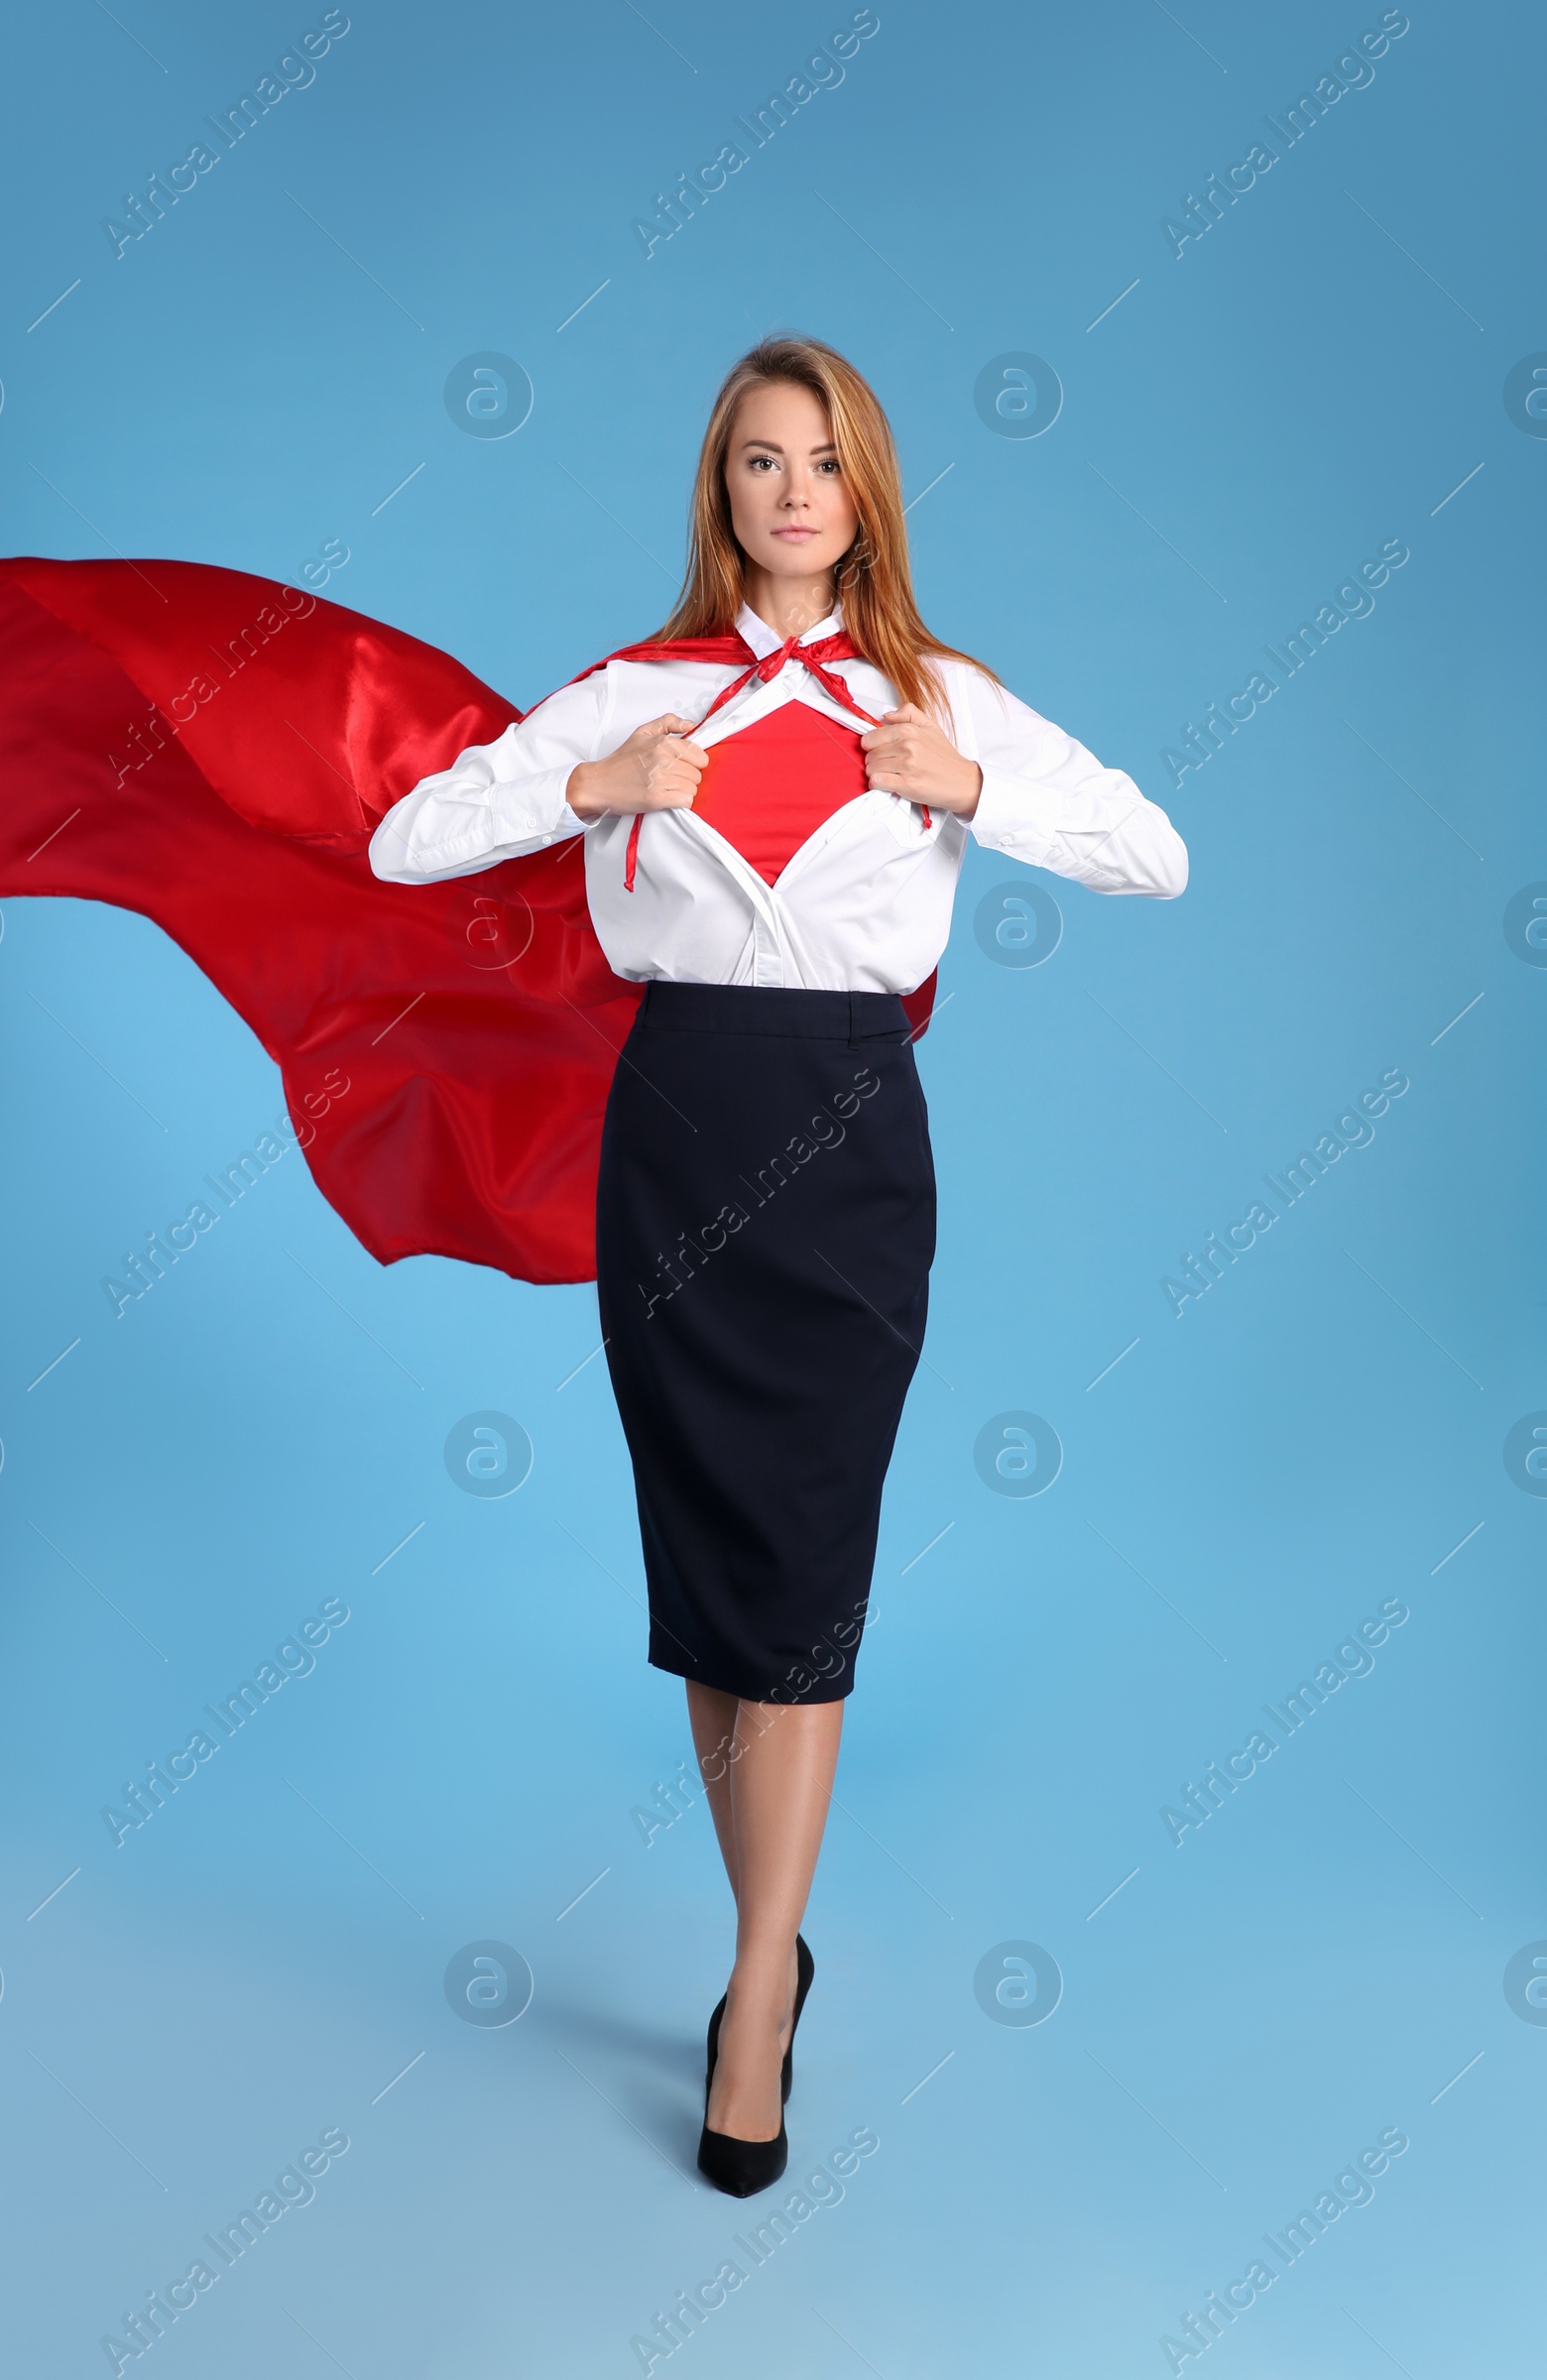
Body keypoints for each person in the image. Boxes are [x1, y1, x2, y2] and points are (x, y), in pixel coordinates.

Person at [371, 334, 1189, 2195]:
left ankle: (753, 1990)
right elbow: (409, 832)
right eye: (758, 459)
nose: (793, 491)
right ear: (719, 489)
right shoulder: (637, 686)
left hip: (847, 1141)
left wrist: (967, 780)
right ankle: (774, 1941)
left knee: (809, 1561)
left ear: (868, 487)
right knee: (719, 1570)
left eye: (823, 460)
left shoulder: (935, 689)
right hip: (673, 1138)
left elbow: (1156, 852)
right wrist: (594, 787)